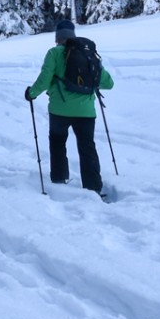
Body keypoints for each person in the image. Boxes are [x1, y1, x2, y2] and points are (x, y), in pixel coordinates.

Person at [25, 17, 114, 198]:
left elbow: (44, 79)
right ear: (73, 36)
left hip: (60, 110)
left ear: (57, 37)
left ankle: (59, 179)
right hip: (86, 112)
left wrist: (31, 93)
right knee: (87, 147)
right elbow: (108, 83)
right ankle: (93, 187)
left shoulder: (54, 53)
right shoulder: (86, 53)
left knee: (57, 142)